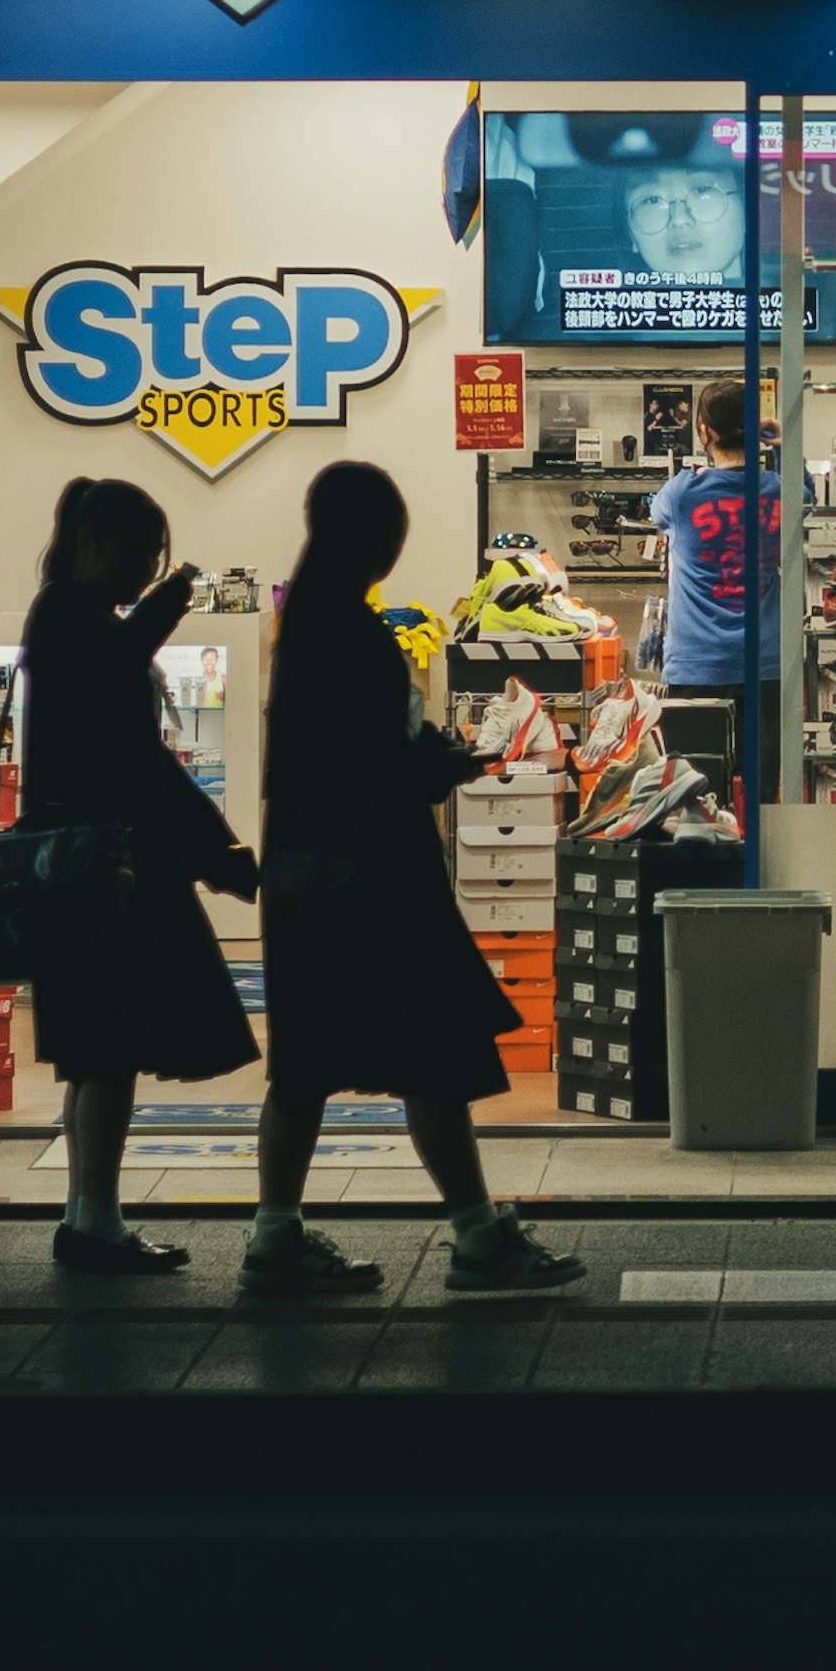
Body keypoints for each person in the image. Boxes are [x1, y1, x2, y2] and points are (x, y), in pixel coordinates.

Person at [249, 462, 585, 1295]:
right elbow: (371, 766)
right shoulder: (352, 634)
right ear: (374, 533)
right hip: (373, 875)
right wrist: (446, 763)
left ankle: (276, 1236)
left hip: (304, 868)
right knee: (436, 1046)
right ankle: (477, 1238)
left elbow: (329, 758)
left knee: (305, 1063)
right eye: (394, 524)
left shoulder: (310, 627)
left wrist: (426, 756)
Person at [18, 475, 261, 1274]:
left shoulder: (73, 617)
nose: (145, 572)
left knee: (98, 1047)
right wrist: (217, 854)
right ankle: (95, 1223)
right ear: (89, 543)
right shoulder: (70, 618)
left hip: (92, 862)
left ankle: (90, 1216)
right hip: (103, 866)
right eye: (136, 554)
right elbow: (128, 739)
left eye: (154, 558)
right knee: (111, 1046)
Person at [647, 378, 778, 690]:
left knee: (692, 741)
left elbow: (655, 513)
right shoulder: (777, 488)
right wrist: (783, 446)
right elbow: (808, 499)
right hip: (765, 662)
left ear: (704, 432)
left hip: (695, 665)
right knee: (767, 742)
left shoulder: (681, 492)